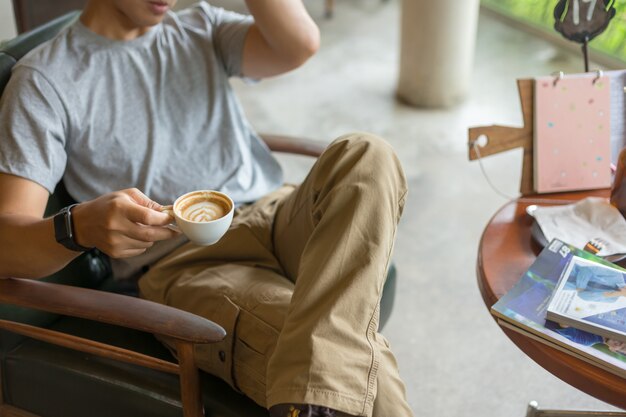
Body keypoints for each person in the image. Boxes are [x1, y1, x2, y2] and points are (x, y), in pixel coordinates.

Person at [0, 1, 413, 416]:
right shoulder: (45, 80)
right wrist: (78, 227)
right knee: (355, 372)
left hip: (277, 213)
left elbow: (300, 44)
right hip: (187, 262)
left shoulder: (199, 26)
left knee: (369, 155)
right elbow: (6, 241)